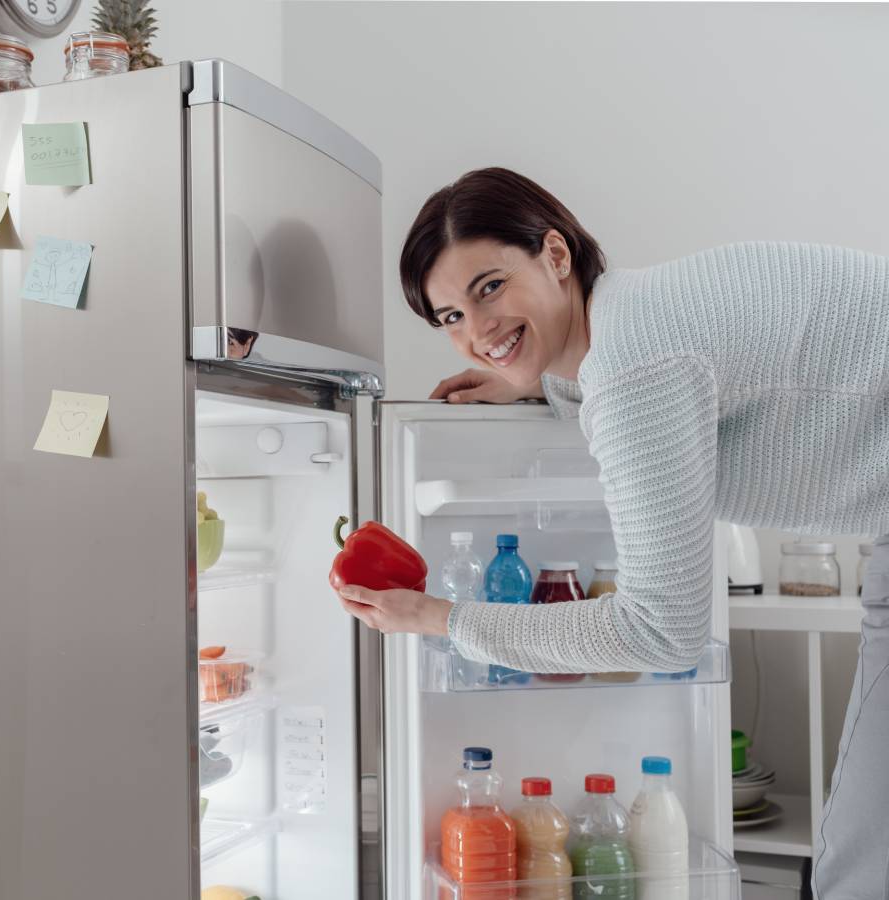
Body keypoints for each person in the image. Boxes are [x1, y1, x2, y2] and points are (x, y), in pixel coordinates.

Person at [333, 168, 889, 898]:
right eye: (451, 319)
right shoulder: (629, 328)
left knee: (866, 858)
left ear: (556, 256)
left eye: (490, 289)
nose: (476, 332)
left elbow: (661, 633)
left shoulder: (633, 365)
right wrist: (536, 373)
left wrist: (441, 618)